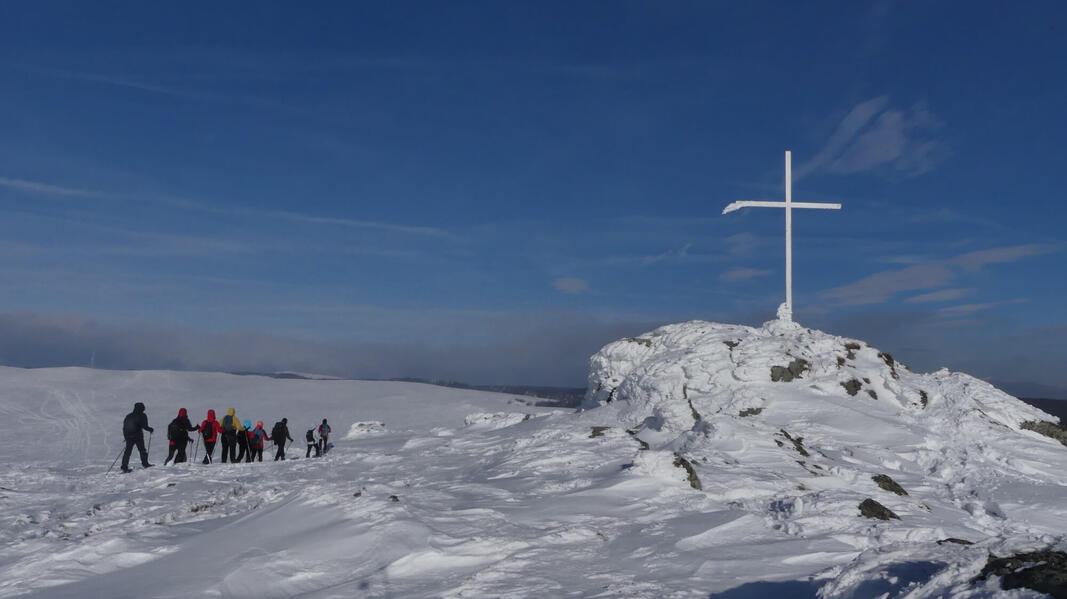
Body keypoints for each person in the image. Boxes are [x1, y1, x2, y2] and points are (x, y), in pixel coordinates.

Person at [121, 402, 154, 473]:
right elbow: (145, 426)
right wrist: (150, 429)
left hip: (129, 436)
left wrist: (126, 437)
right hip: (138, 436)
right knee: (142, 450)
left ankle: (124, 466)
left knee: (127, 452)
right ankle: (145, 464)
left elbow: (124, 427)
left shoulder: (129, 416)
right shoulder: (142, 415)